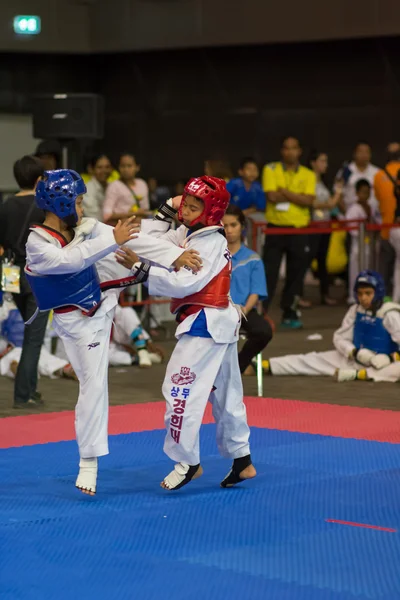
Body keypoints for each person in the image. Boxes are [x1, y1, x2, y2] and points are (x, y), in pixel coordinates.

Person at [25, 169, 202, 496]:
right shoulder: (38, 243)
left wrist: (176, 256)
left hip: (100, 294)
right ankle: (88, 461)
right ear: (61, 204)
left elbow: (130, 238)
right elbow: (70, 261)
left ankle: (174, 231)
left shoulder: (86, 227)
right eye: (77, 202)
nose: (81, 208)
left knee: (132, 236)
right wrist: (113, 239)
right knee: (93, 382)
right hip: (77, 319)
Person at [116, 176, 256, 491]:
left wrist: (142, 269)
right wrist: (165, 211)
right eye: (186, 204)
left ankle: (188, 461)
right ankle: (242, 460)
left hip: (205, 322)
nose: (187, 211)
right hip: (217, 322)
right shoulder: (189, 233)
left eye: (195, 207)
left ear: (212, 211)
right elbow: (156, 237)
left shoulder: (209, 241)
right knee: (226, 393)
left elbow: (184, 283)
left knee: (179, 391)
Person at [262, 270, 400, 383]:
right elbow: (339, 338)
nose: (363, 298)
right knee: (312, 360)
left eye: (368, 293)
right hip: (355, 359)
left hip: (384, 364)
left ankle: (359, 375)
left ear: (378, 293)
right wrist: (355, 352)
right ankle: (266, 365)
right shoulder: (355, 310)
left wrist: (390, 357)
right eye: (360, 293)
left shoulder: (389, 313)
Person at [0, 155, 48, 409]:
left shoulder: (5, 205)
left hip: (10, 273)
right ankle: (23, 394)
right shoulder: (43, 205)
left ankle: (30, 390)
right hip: (36, 275)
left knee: (30, 333)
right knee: (33, 337)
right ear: (39, 179)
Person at [261, 136, 316, 328]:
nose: (290, 152)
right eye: (286, 148)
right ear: (281, 151)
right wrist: (295, 196)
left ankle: (290, 313)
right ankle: (261, 313)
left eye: (294, 148)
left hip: (299, 230)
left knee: (296, 274)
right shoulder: (270, 169)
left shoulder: (309, 174)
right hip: (276, 227)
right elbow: (271, 196)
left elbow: (309, 201)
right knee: (269, 273)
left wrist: (284, 191)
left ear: (299, 151)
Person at [222, 205, 272, 374]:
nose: (228, 230)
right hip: (216, 309)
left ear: (242, 227)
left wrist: (243, 310)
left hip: (243, 310)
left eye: (233, 225)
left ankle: (237, 366)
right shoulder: (213, 256)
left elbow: (256, 292)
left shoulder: (253, 259)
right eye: (224, 225)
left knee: (264, 332)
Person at [300, 151, 343, 306]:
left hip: (325, 225)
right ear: (313, 162)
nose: (325, 164)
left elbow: (330, 205)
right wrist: (333, 200)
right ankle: (297, 296)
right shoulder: (307, 180)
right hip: (312, 225)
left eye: (326, 161)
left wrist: (337, 194)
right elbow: (313, 203)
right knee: (306, 260)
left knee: (322, 260)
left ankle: (325, 294)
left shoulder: (324, 182)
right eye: (322, 161)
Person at [374, 142, 400, 299]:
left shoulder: (378, 175)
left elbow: (378, 199)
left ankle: (382, 299)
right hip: (397, 225)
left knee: (385, 267)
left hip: (386, 228)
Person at [345, 179, 375, 304]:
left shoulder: (368, 207)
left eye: (368, 192)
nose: (365, 195)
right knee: (355, 271)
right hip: (357, 245)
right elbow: (350, 227)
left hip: (367, 244)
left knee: (366, 269)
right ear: (357, 193)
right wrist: (362, 233)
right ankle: (353, 295)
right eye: (363, 192)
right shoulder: (354, 208)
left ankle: (366, 294)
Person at [103, 153, 150, 224]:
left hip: (140, 228)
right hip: (120, 228)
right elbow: (106, 215)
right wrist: (134, 214)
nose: (126, 169)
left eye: (129, 166)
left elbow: (145, 210)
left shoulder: (142, 184)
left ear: (137, 167)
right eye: (122, 166)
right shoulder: (114, 186)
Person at [335, 142, 379, 212]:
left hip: (372, 217)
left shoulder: (377, 172)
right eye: (360, 151)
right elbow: (337, 194)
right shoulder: (346, 171)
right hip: (350, 215)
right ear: (354, 154)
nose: (363, 154)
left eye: (366, 152)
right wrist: (347, 214)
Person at [82, 154, 113, 220]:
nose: (104, 170)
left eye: (107, 167)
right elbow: (95, 219)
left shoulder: (113, 186)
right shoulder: (87, 190)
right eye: (99, 167)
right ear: (91, 169)